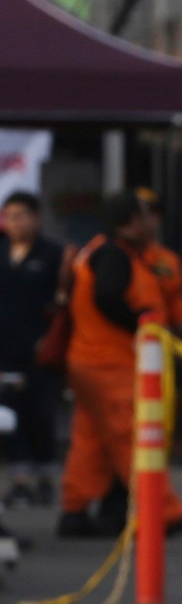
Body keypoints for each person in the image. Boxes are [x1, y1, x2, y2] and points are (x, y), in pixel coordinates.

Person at [59, 191, 182, 538]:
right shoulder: (114, 257)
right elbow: (109, 298)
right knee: (135, 437)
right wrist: (141, 323)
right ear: (131, 222)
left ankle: (74, 510)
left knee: (90, 439)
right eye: (146, 215)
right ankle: (163, 512)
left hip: (89, 361)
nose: (152, 222)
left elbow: (175, 312)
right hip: (110, 364)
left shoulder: (111, 253)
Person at [0, 190, 62, 509]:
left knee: (40, 415)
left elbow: (63, 306)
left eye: (21, 216)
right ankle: (20, 480)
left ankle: (46, 479)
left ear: (35, 218)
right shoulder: (1, 254)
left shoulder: (53, 256)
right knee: (10, 415)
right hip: (4, 352)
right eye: (9, 216)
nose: (14, 223)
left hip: (40, 353)